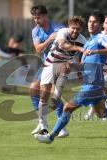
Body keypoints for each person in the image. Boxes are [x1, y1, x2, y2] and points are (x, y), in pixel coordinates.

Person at [34, 11, 107, 144]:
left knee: (67, 108)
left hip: (93, 85)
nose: (91, 24)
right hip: (93, 83)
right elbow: (87, 65)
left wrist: (96, 51)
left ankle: (50, 136)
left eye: (94, 22)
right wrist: (74, 66)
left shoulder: (101, 38)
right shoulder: (89, 41)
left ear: (100, 25)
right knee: (102, 113)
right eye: (89, 21)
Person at [37, 16, 87, 137]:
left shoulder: (83, 40)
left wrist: (81, 69)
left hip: (65, 67)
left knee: (67, 65)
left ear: (81, 29)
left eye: (78, 29)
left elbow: (84, 56)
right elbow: (64, 45)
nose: (75, 31)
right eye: (73, 28)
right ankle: (43, 125)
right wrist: (79, 48)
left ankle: (57, 95)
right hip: (50, 64)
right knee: (43, 95)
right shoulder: (62, 32)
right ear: (69, 26)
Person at [30, 5, 66, 136]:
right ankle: (41, 122)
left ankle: (61, 127)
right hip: (47, 64)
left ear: (45, 16)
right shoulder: (36, 31)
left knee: (52, 95)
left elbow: (69, 45)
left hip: (60, 63)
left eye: (38, 17)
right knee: (34, 89)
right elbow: (38, 49)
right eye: (34, 18)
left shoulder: (59, 28)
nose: (36, 20)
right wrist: (49, 40)